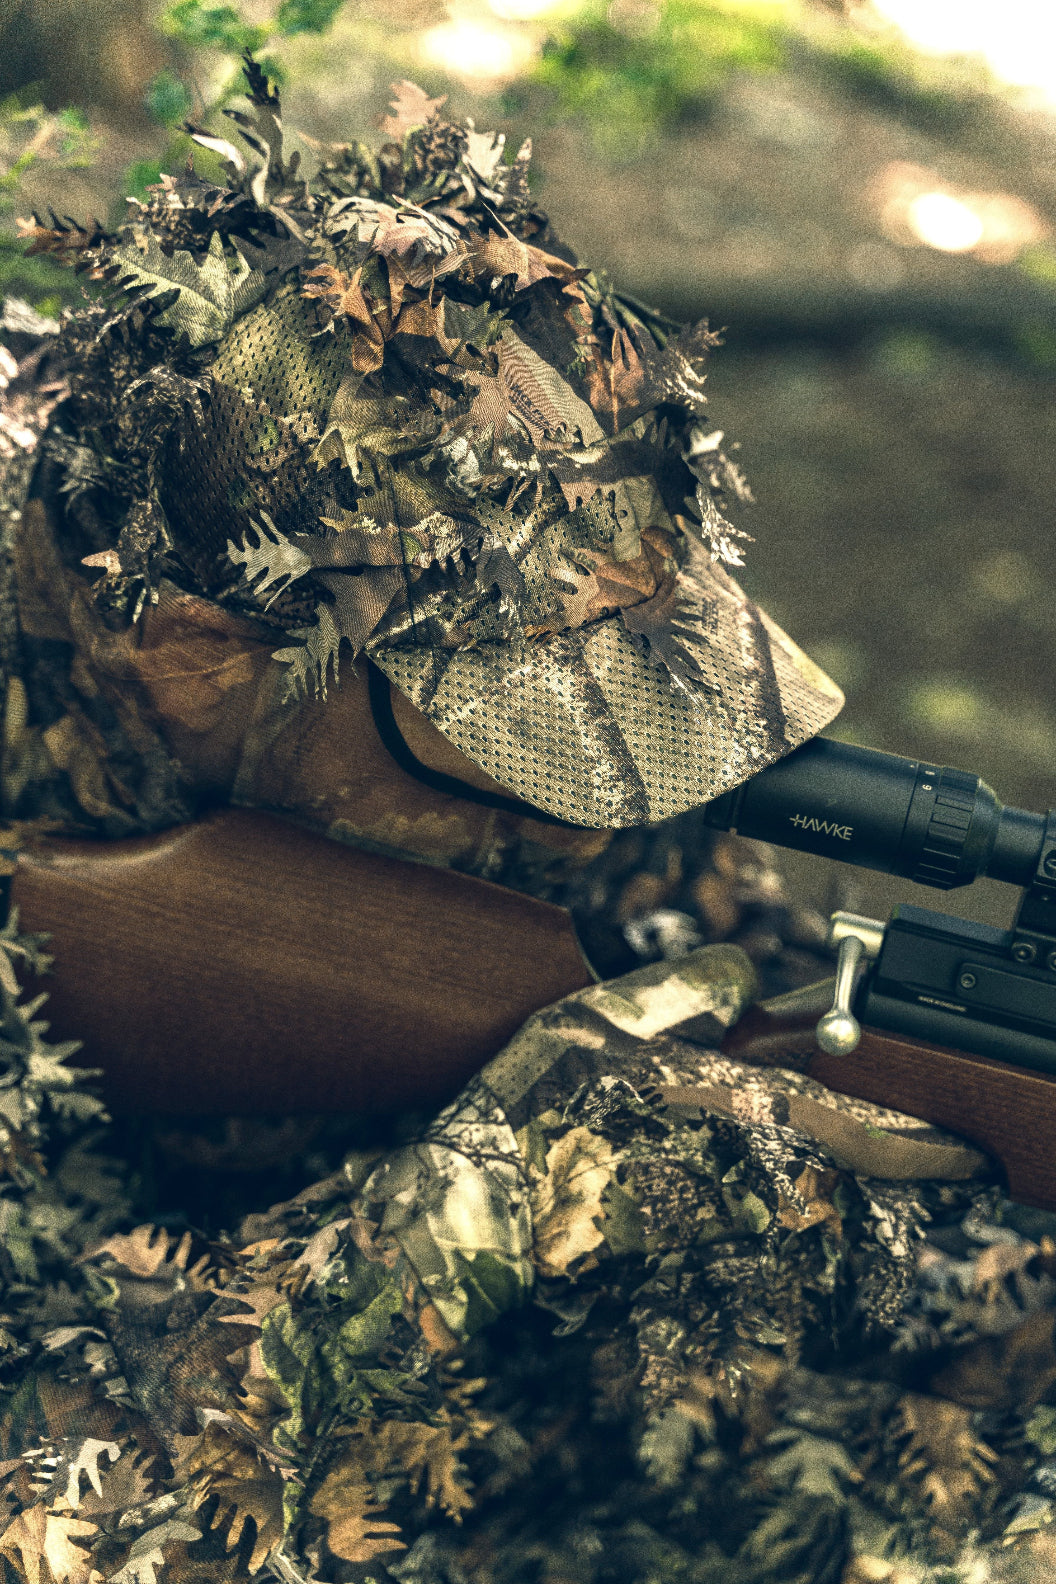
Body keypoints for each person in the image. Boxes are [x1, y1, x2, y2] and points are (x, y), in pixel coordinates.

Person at [0, 62, 1036, 1584]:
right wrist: (490, 1191)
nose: (589, 825)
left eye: (639, 727)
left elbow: (803, 1063)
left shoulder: (578, 709)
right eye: (511, 747)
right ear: (199, 665)